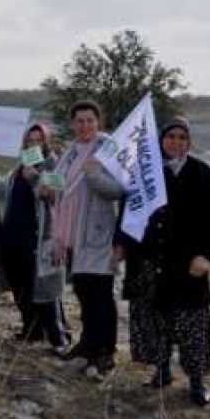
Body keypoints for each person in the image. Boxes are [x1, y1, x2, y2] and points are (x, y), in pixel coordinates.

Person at [120, 117, 210, 406]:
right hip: (149, 261)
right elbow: (129, 214)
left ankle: (196, 382)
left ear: (188, 141)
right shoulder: (145, 174)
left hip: (187, 262)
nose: (176, 142)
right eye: (170, 137)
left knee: (190, 323)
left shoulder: (203, 174)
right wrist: (123, 246)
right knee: (154, 320)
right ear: (160, 141)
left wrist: (205, 255)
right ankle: (162, 371)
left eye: (181, 137)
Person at [51, 100, 125, 377]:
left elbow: (119, 190)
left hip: (97, 234)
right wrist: (43, 184)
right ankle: (87, 344)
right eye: (79, 121)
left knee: (101, 295)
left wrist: (94, 174)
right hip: (72, 235)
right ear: (72, 124)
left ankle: (105, 351)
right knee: (83, 291)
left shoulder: (108, 149)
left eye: (89, 120)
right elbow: (60, 182)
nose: (84, 126)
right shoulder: (70, 152)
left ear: (99, 122)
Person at [0, 123, 69, 353]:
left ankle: (59, 338)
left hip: (39, 238)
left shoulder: (54, 164)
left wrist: (35, 178)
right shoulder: (20, 165)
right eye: (30, 140)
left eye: (39, 140)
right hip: (13, 236)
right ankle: (31, 330)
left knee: (45, 290)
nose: (34, 144)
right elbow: (4, 194)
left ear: (46, 142)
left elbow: (57, 195)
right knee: (21, 287)